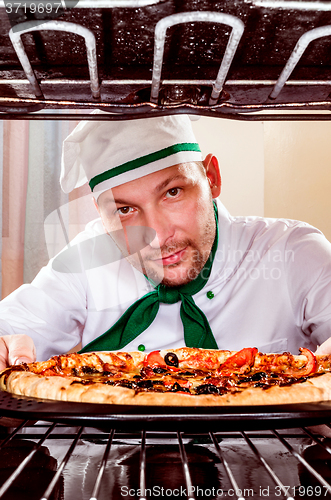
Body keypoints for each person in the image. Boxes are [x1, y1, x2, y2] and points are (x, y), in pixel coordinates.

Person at [0, 113, 331, 371]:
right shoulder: (87, 260)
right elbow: (13, 328)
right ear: (102, 218)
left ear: (211, 178)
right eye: (126, 210)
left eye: (173, 193)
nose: (157, 236)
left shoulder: (293, 252)